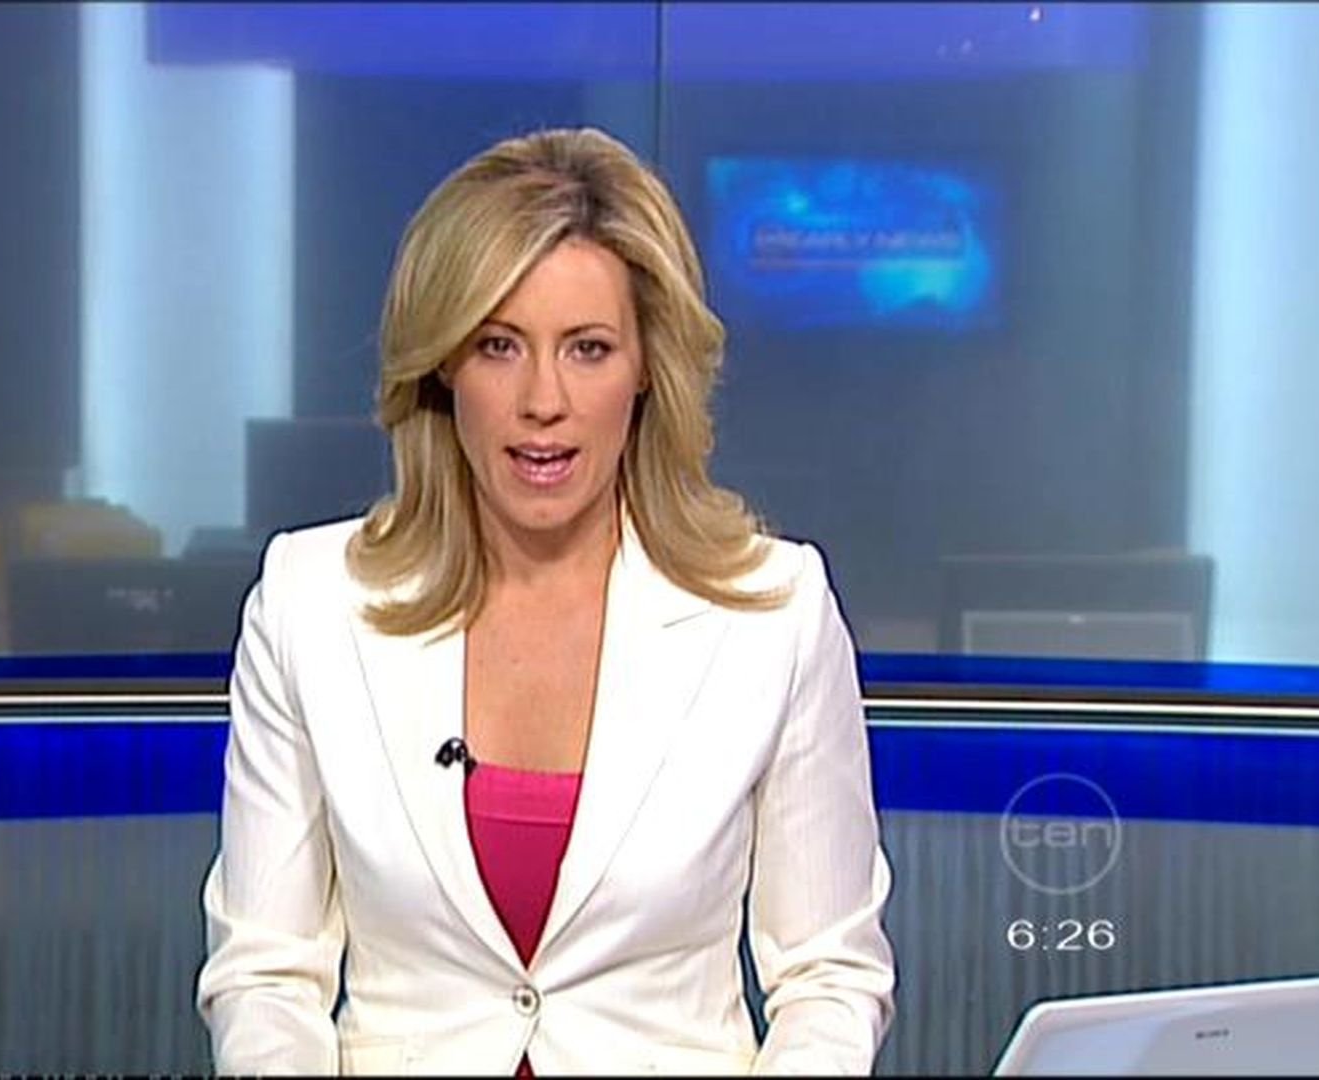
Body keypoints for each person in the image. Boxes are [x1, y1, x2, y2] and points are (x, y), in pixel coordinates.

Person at [196, 127, 895, 1076]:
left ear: (646, 369)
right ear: (443, 364)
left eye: (588, 349)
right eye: (499, 346)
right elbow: (266, 975)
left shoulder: (772, 613)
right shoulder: (311, 603)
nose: (543, 400)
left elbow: (829, 976)